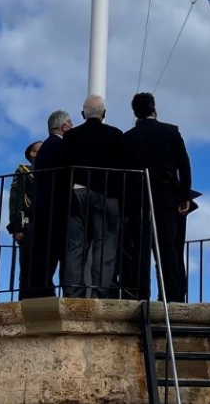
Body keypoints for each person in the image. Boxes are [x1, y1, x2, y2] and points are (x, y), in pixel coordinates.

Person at [122, 92, 192, 302]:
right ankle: (172, 296)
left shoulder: (128, 137)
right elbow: (184, 166)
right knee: (167, 248)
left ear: (135, 112)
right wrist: (184, 196)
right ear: (154, 108)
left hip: (138, 197)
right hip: (166, 195)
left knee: (140, 248)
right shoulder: (171, 132)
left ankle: (140, 295)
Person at [60, 95, 125, 298]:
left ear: (83, 114)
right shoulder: (116, 135)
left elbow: (65, 166)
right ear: (104, 114)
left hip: (77, 192)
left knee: (75, 245)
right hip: (106, 193)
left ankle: (72, 292)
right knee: (104, 244)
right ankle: (100, 292)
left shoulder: (71, 136)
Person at [21, 110, 72, 299]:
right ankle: (45, 292)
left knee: (46, 255)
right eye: (71, 124)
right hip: (55, 208)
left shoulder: (46, 148)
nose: (72, 128)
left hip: (44, 208)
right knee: (54, 254)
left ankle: (41, 291)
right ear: (64, 126)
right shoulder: (58, 145)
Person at [7, 140, 41, 292]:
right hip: (29, 224)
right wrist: (17, 227)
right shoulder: (24, 171)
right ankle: (25, 302)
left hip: (47, 222)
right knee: (28, 267)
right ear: (33, 154)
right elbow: (16, 199)